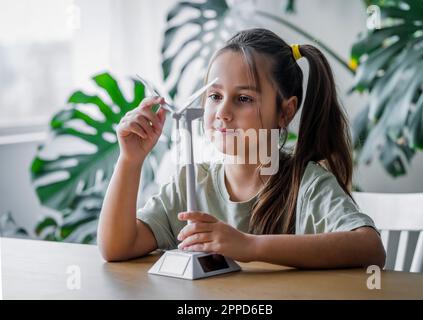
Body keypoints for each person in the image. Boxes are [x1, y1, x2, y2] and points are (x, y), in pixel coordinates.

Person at [97, 28, 386, 269]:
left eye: (244, 98)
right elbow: (117, 247)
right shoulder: (192, 185)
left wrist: (250, 246)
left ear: (285, 111)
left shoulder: (308, 185)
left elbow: (370, 249)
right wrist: (130, 161)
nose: (222, 111)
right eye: (214, 95)